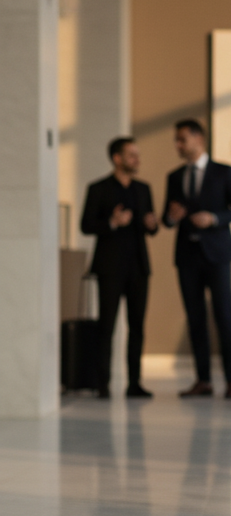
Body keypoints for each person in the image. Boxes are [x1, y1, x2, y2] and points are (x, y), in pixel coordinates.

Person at [162, 119, 231, 399]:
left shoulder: (224, 171)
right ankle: (203, 380)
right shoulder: (174, 177)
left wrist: (213, 218)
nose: (178, 145)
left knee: (224, 316)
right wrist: (171, 219)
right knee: (195, 318)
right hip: (187, 257)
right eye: (177, 140)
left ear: (198, 139)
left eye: (182, 139)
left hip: (218, 255)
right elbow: (168, 217)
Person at [80, 137, 159, 399]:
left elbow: (151, 227)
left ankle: (134, 383)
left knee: (137, 326)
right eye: (132, 155)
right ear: (117, 158)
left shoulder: (143, 189)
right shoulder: (98, 188)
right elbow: (86, 225)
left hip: (138, 266)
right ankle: (102, 383)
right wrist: (112, 222)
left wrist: (151, 224)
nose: (137, 159)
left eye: (137, 155)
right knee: (107, 325)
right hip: (110, 266)